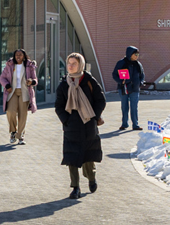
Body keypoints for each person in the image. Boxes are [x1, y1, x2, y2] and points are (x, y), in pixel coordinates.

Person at [54, 51, 106, 200]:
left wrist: (94, 116)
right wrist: (66, 120)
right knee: (72, 156)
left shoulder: (88, 80)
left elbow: (100, 100)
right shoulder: (64, 84)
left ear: (80, 65)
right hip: (71, 126)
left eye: (74, 64)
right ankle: (75, 187)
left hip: (88, 124)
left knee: (87, 156)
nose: (70, 66)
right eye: (69, 64)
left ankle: (91, 178)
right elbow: (59, 105)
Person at [0, 48, 37, 145]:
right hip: (12, 92)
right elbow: (2, 78)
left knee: (22, 114)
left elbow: (35, 79)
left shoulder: (29, 66)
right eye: (16, 55)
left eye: (20, 55)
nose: (18, 56)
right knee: (10, 111)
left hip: (24, 92)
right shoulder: (10, 65)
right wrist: (7, 85)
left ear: (24, 56)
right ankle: (13, 132)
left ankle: (20, 136)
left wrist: (32, 81)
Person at [112, 45, 145, 131]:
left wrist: (140, 82)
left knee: (134, 107)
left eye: (137, 54)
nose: (137, 56)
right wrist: (120, 81)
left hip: (135, 88)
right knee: (124, 106)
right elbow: (114, 74)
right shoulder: (121, 63)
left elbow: (142, 75)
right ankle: (124, 124)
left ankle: (135, 125)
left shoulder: (138, 64)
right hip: (124, 88)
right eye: (135, 54)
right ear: (130, 54)